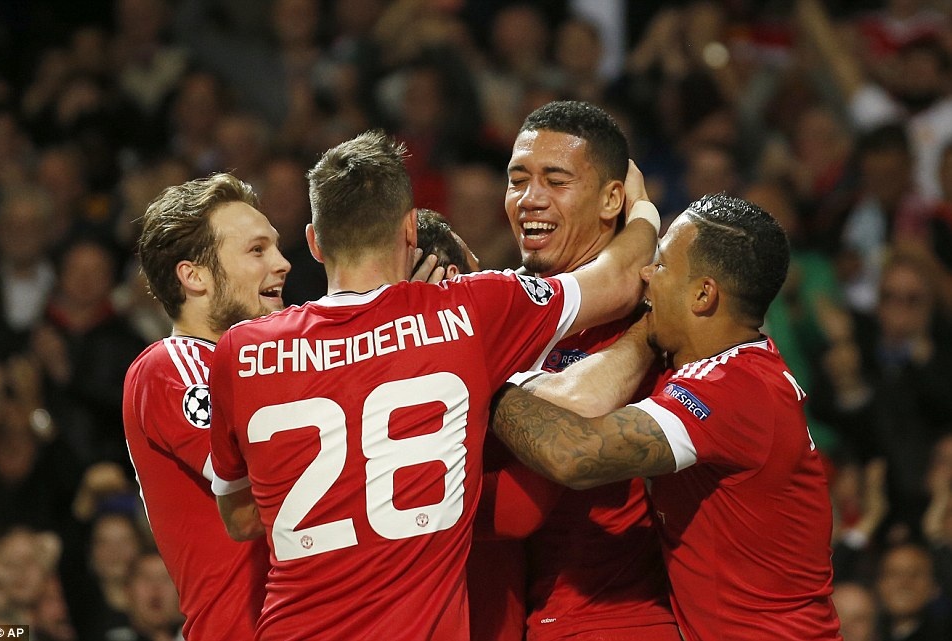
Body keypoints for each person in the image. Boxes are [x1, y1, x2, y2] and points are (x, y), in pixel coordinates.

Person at [207, 129, 659, 640]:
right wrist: (642, 208)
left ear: (314, 241)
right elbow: (620, 279)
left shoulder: (239, 352)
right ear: (409, 229)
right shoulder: (467, 313)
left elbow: (240, 518)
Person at [490, 193, 843, 640]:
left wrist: (481, 380)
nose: (645, 275)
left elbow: (575, 455)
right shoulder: (733, 372)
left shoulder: (732, 386)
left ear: (702, 294)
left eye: (660, 265)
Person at [472, 100, 677, 641]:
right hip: (526, 618)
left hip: (620, 620)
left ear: (612, 199)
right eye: (518, 180)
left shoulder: (663, 319)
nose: (530, 199)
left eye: (556, 181)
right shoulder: (508, 308)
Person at [122, 173, 290, 640]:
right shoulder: (169, 366)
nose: (282, 263)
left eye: (275, 247)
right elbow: (269, 480)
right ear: (194, 276)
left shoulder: (273, 364)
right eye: (256, 250)